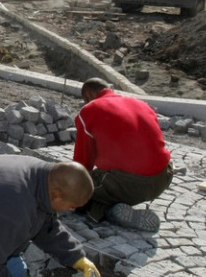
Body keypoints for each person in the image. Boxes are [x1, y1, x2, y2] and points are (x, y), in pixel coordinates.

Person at [72, 78, 173, 232]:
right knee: (105, 181)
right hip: (163, 177)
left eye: (85, 100)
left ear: (89, 95)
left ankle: (108, 212)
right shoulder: (140, 104)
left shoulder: (90, 110)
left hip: (129, 184)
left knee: (77, 193)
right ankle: (119, 201)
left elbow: (82, 163)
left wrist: (72, 187)